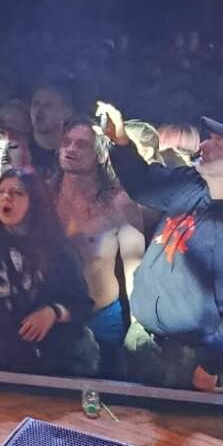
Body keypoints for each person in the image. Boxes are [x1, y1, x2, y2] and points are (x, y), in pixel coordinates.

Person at [99, 106, 223, 392]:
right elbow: (143, 184)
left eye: (218, 143)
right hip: (144, 341)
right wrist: (121, 141)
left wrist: (212, 365)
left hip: (189, 359)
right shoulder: (192, 185)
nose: (204, 145)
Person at [0, 169, 99, 375]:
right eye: (1, 192)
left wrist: (53, 312)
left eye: (17, 193)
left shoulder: (57, 250)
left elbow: (81, 303)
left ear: (35, 202)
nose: (6, 197)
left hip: (45, 363)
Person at [54, 119, 144, 375]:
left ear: (100, 153)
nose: (71, 149)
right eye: (66, 142)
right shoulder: (43, 196)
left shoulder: (119, 203)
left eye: (82, 144)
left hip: (101, 319)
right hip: (51, 317)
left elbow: (134, 268)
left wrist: (137, 325)